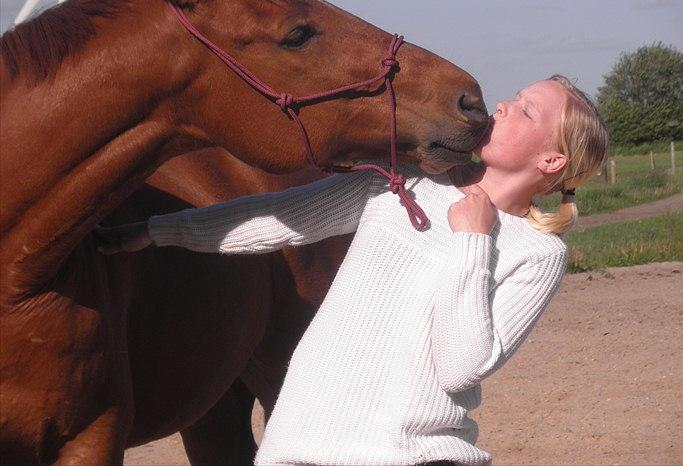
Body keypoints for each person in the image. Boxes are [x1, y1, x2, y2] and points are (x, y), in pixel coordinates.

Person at [98, 75, 608, 466]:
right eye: (513, 96)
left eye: (526, 110)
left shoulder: (537, 255)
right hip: (296, 446)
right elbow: (283, 221)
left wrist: (472, 240)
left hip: (410, 455)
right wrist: (160, 230)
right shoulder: (400, 185)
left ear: (551, 162)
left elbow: (460, 366)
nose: (502, 106)